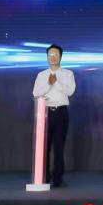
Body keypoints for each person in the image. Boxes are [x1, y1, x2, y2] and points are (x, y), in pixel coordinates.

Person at [32, 44, 75, 187]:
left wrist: (56, 82)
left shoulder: (68, 74)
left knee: (59, 146)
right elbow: (36, 93)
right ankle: (44, 177)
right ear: (47, 57)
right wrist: (48, 84)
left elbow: (70, 91)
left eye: (56, 54)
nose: (53, 57)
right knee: (43, 147)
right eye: (50, 54)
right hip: (44, 113)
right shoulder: (41, 75)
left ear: (60, 56)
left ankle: (57, 178)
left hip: (61, 112)